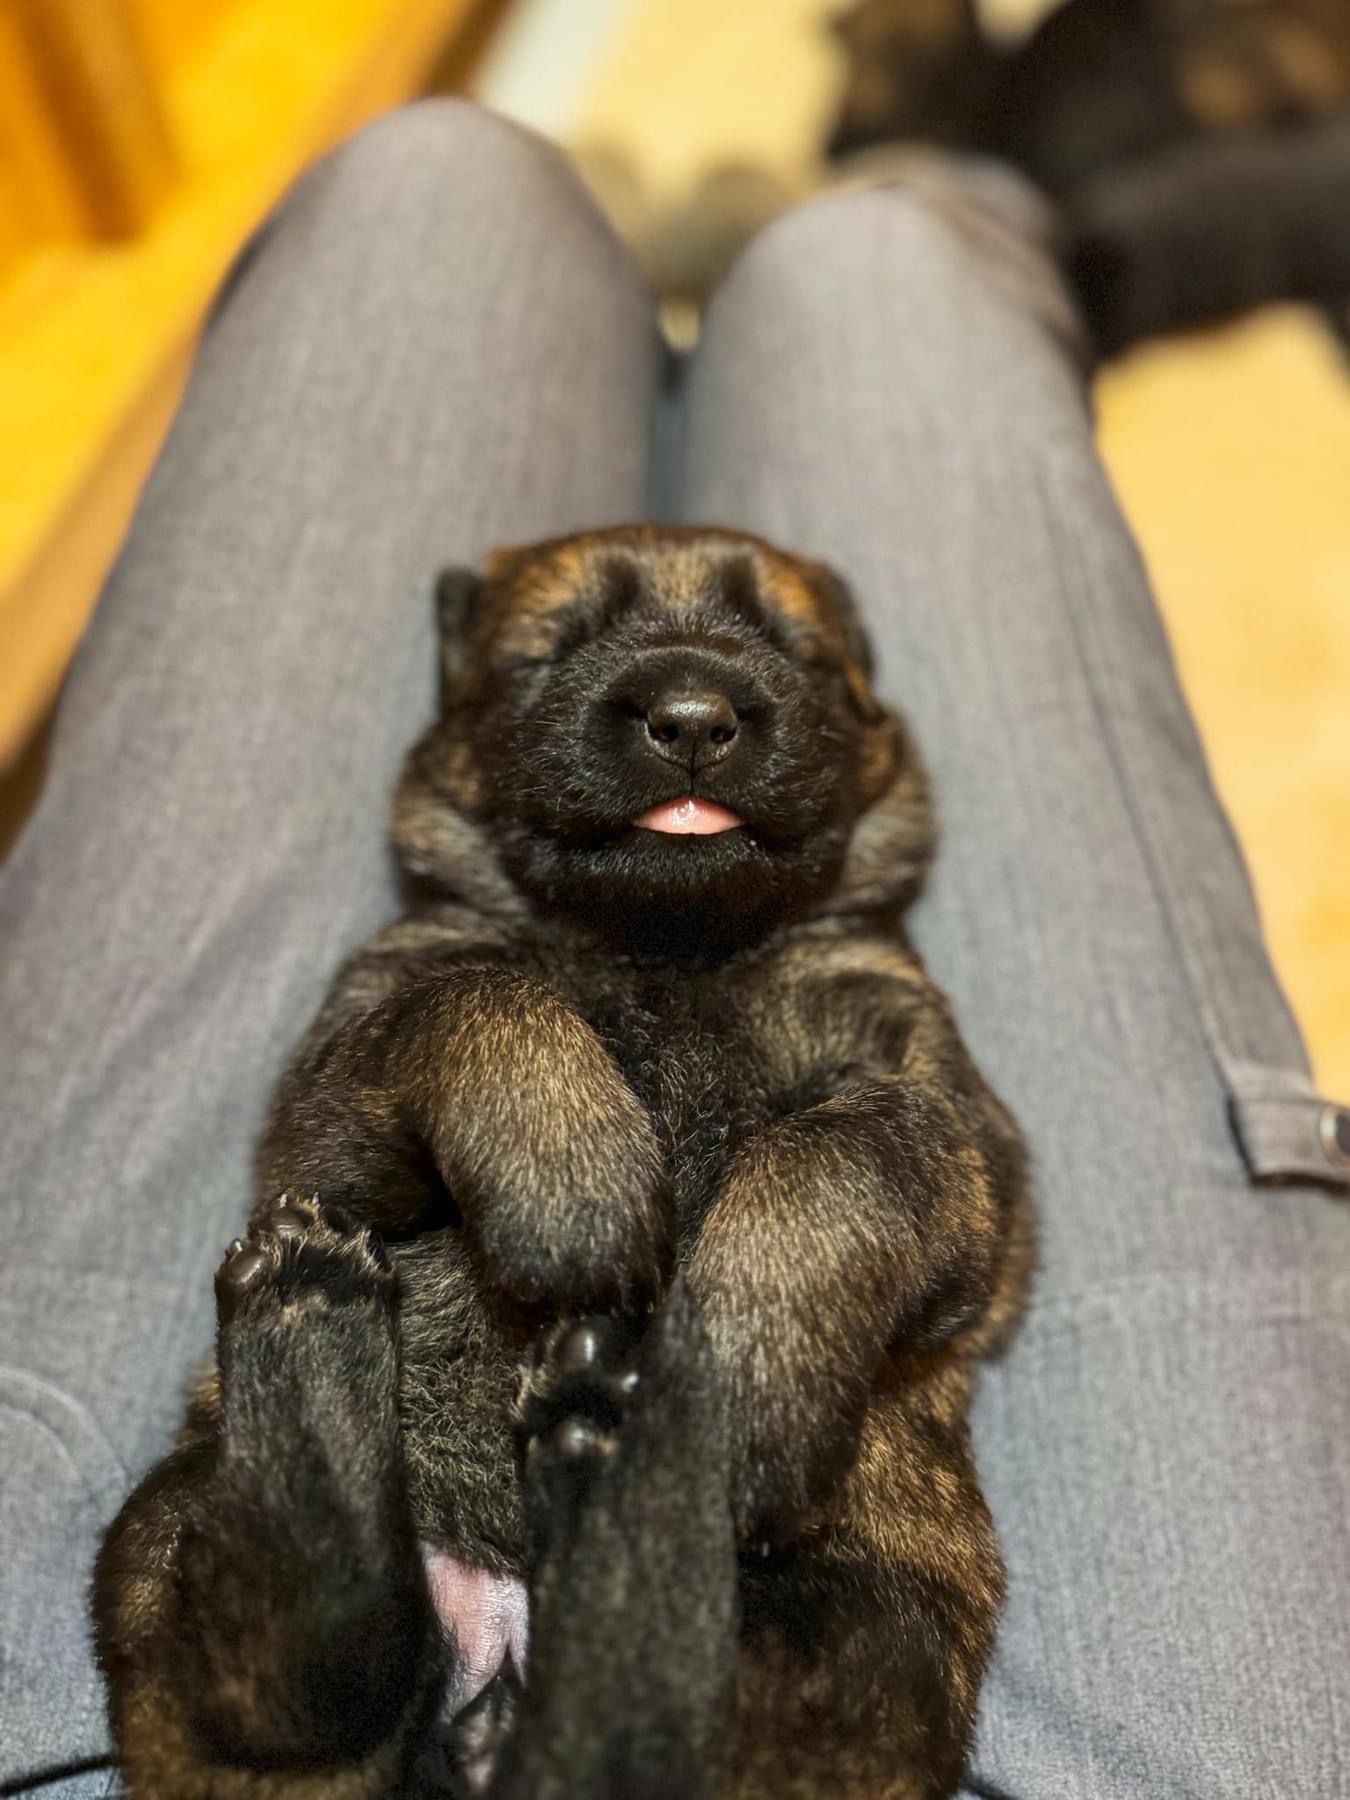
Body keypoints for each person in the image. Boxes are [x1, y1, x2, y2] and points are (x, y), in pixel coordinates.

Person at [1, 100, 1346, 1800]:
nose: (695, 705)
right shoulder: (450, 945)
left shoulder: (851, 964)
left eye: (773, 661)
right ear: (456, 729)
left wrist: (772, 1302)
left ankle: (475, 1653)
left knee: (430, 187)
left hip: (770, 1630)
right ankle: (326, 1609)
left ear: (875, 733)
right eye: (571, 652)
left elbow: (949, 1195)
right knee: (888, 265)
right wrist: (487, 1050)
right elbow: (341, 1131)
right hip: (431, 1552)